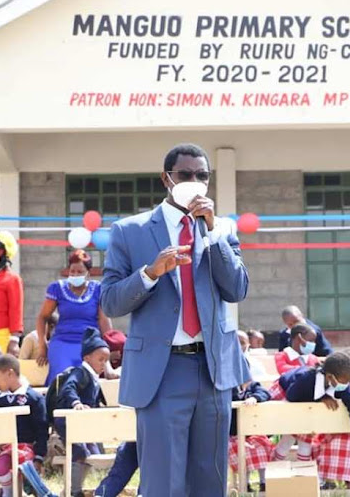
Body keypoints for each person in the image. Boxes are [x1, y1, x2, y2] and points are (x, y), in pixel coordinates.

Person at [101, 143, 250, 496]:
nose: (195, 182)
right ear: (166, 179)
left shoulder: (222, 229)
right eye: (186, 175)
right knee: (164, 480)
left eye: (202, 176)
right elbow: (110, 301)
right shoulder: (130, 231)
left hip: (213, 368)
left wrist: (213, 231)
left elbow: (237, 289)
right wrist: (151, 273)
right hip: (162, 370)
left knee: (210, 478)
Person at [269, 353, 350, 488]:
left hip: (306, 408)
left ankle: (301, 482)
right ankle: (272, 476)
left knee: (304, 437)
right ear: (330, 377)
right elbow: (292, 396)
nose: (347, 386)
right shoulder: (306, 379)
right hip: (285, 394)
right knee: (291, 436)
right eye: (345, 382)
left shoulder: (341, 384)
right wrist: (322, 398)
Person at [0, 355, 47, 497]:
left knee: (1, 465)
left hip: (23, 447)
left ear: (10, 373)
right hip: (0, 446)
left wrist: (39, 457)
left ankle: (8, 494)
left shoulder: (33, 398)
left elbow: (42, 429)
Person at [36, 249, 112, 384]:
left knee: (86, 382)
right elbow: (43, 317)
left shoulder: (98, 289)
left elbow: (104, 320)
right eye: (72, 271)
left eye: (80, 272)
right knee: (61, 381)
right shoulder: (57, 288)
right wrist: (42, 346)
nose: (75, 275)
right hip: (62, 343)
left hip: (90, 346)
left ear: (88, 273)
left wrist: (107, 349)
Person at [54, 328, 110, 497]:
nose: (103, 364)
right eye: (101, 359)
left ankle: (72, 488)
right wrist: (76, 403)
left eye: (106, 360)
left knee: (92, 454)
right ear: (87, 358)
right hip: (69, 422)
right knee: (79, 453)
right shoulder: (80, 373)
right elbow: (69, 388)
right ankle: (74, 491)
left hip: (83, 424)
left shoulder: (93, 377)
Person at [229, 380, 273, 493]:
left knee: (262, 447)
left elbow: (265, 393)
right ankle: (246, 483)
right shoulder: (229, 388)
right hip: (234, 434)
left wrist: (255, 397)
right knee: (243, 451)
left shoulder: (253, 386)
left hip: (253, 433)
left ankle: (263, 482)